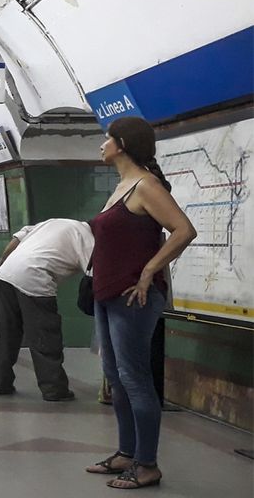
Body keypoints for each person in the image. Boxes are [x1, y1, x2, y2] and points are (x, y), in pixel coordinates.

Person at [84, 116, 196, 490]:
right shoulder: (122, 187)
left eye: (107, 139)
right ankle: (127, 453)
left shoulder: (146, 186)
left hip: (134, 295)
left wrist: (150, 270)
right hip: (107, 292)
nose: (102, 145)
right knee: (116, 377)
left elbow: (184, 229)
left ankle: (147, 464)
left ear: (122, 144)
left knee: (134, 377)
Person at [0, 219, 94, 401]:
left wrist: (2, 263)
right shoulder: (88, 238)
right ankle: (54, 389)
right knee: (45, 334)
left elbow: (17, 238)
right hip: (35, 277)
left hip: (6, 275)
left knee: (6, 332)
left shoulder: (52, 223)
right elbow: (93, 276)